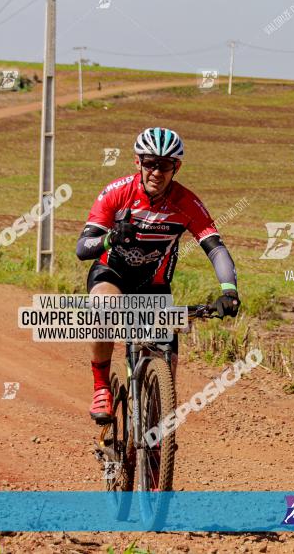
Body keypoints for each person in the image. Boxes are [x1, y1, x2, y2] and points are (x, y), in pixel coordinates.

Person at [76, 127, 241, 424]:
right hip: (111, 274)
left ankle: (155, 436)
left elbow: (215, 247)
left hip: (154, 286)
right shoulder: (117, 192)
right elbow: (82, 247)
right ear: (138, 162)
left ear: (175, 167)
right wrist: (110, 239)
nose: (156, 171)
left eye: (164, 165)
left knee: (168, 365)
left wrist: (229, 290)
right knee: (104, 308)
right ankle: (101, 386)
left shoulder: (186, 202)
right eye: (150, 162)